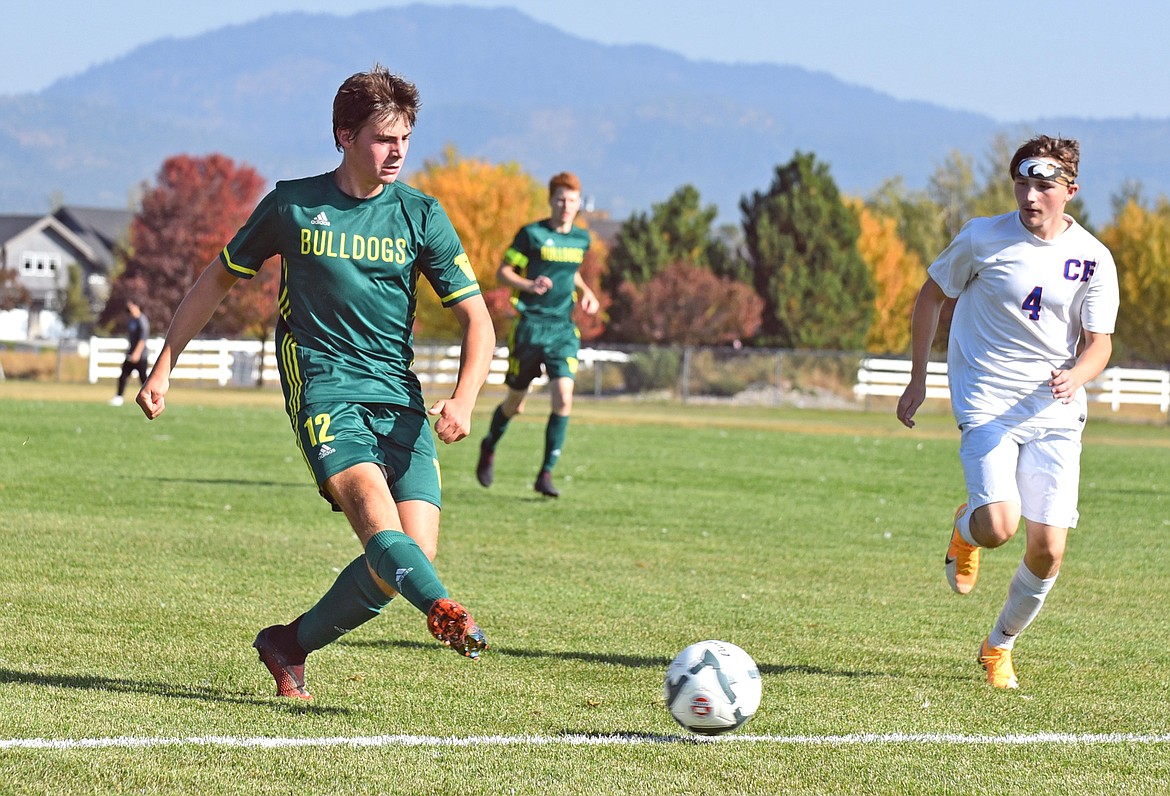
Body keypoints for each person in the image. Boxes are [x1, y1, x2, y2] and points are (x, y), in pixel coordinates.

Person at [136, 65, 495, 700]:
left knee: (405, 562)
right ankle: (447, 612)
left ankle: (286, 645)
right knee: (385, 539)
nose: (398, 151)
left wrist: (464, 400)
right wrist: (164, 367)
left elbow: (478, 322)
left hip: (399, 400)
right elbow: (216, 280)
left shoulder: (422, 215)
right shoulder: (292, 205)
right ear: (344, 134)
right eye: (384, 138)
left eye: (405, 138)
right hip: (326, 392)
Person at [896, 135, 1119, 689]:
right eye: (1022, 182)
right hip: (987, 401)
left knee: (1048, 551)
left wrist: (1078, 374)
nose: (1030, 195)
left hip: (1055, 410)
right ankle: (966, 531)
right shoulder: (981, 238)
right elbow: (930, 296)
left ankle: (999, 646)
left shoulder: (1094, 257)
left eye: (1044, 184)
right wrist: (919, 376)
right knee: (999, 526)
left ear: (1070, 190)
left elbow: (1100, 344)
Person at [475, 172, 599, 497]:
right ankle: (489, 445)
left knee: (564, 398)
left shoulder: (581, 240)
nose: (566, 205)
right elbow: (503, 272)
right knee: (515, 403)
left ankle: (545, 474)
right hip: (530, 326)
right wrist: (528, 285)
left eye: (572, 200)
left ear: (578, 203)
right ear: (551, 201)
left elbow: (571, 274)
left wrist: (586, 291)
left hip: (562, 329)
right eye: (560, 199)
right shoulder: (531, 234)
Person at [109, 299, 149, 406]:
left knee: (143, 378)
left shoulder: (142, 320)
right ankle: (119, 397)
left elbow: (142, 339)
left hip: (141, 355)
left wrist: (137, 353)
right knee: (123, 375)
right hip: (131, 353)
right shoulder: (131, 320)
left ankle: (150, 398)